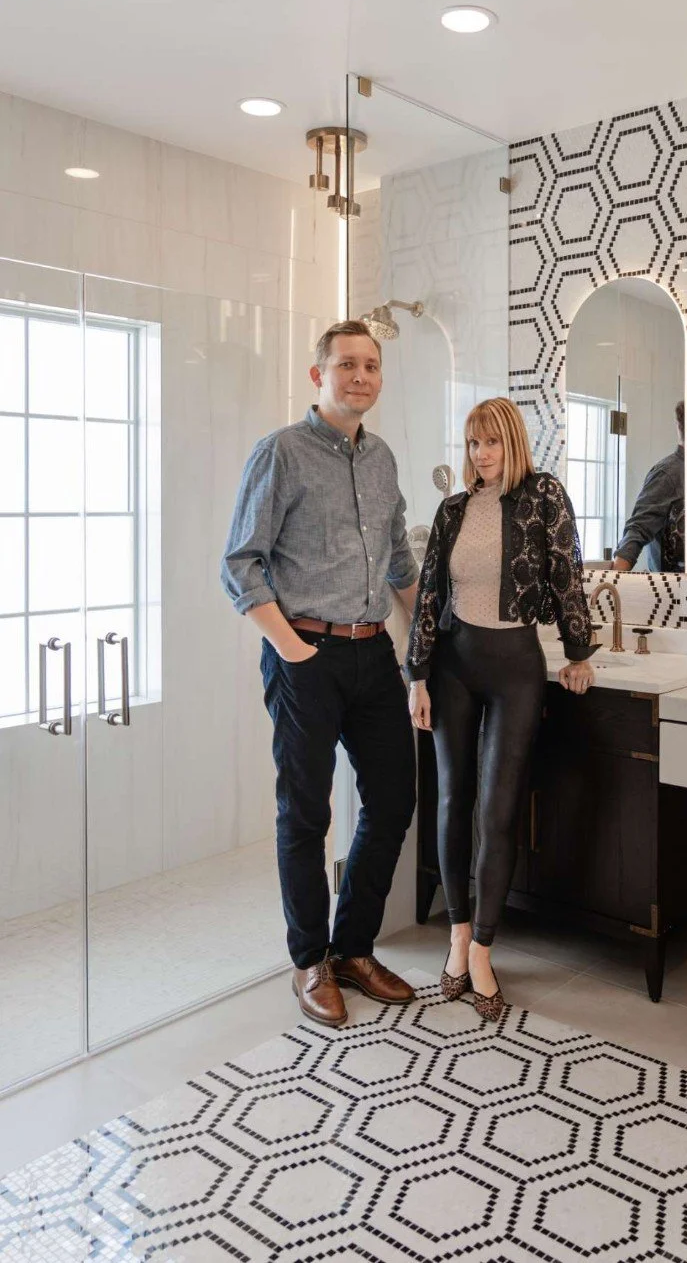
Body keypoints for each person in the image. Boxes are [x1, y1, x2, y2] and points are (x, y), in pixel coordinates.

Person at [221, 321, 419, 1028]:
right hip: (305, 652)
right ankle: (309, 961)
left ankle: (352, 949)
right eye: (346, 365)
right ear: (318, 376)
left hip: (374, 654)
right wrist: (292, 649)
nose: (360, 376)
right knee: (305, 814)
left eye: (371, 365)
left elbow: (399, 563)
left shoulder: (384, 459)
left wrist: (424, 638)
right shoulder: (281, 453)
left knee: (394, 798)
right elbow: (239, 563)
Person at [406, 397, 597, 1021]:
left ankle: (485, 946)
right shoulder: (452, 509)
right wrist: (417, 675)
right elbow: (431, 593)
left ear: (511, 443)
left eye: (489, 443)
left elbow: (567, 573)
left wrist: (577, 652)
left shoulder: (544, 495)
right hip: (454, 666)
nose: (480, 455)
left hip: (516, 667)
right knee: (451, 799)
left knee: (499, 807)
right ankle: (458, 936)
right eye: (471, 444)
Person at [611, 399, 685, 572]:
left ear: (677, 425)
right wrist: (612, 586)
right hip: (670, 594)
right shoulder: (667, 475)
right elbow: (637, 530)